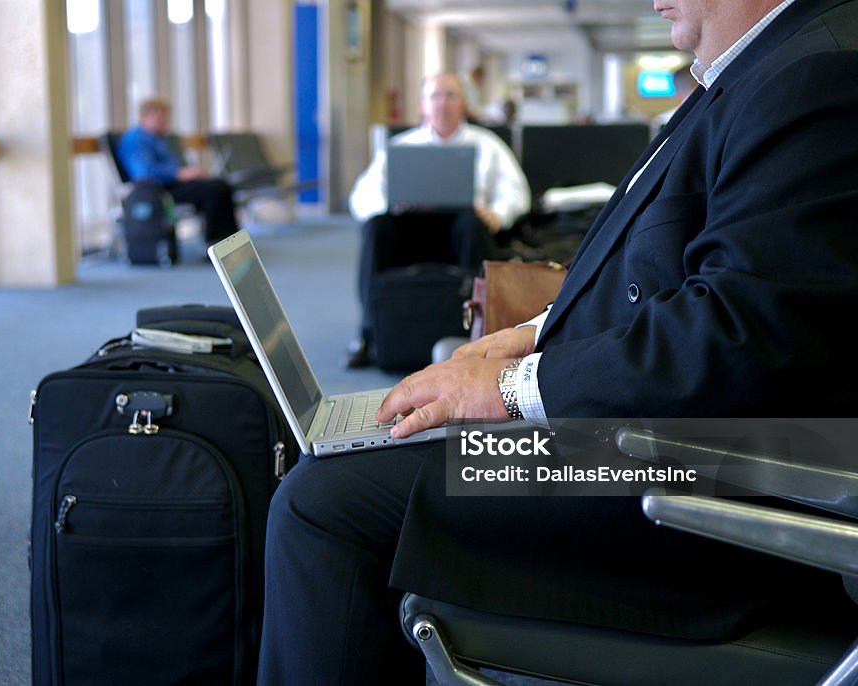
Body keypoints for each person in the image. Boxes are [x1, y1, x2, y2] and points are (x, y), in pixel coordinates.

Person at [258, 0, 858, 683]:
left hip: (691, 475)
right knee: (386, 448)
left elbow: (735, 336)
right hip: (650, 445)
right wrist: (529, 336)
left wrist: (510, 391)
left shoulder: (818, 75)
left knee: (326, 499)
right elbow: (669, 272)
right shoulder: (761, 70)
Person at [346, 72, 531, 367]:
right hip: (411, 230)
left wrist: (497, 213)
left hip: (462, 233)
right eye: (435, 95)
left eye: (450, 95)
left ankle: (480, 330)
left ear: (463, 104)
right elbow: (360, 196)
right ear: (423, 104)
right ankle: (369, 334)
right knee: (376, 227)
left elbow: (517, 193)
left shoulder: (488, 145)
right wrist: (389, 206)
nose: (442, 103)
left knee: (472, 222)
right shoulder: (402, 146)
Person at [116, 98, 238, 245]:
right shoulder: (135, 140)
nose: (165, 124)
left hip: (174, 184)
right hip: (158, 190)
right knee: (213, 191)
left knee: (221, 185)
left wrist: (190, 173)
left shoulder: (158, 139)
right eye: (161, 120)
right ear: (147, 116)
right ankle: (216, 242)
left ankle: (231, 241)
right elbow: (144, 172)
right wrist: (178, 174)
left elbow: (174, 165)